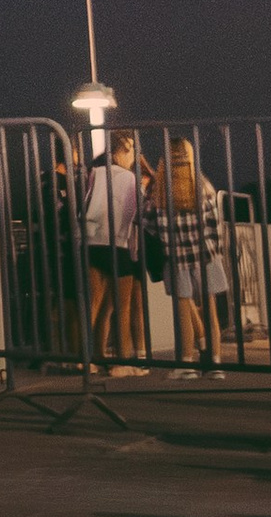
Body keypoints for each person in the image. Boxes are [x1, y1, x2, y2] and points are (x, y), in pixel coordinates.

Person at [153, 137, 231, 372]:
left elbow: (148, 223)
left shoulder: (159, 191)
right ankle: (216, 365)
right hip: (205, 256)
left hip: (176, 259)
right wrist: (216, 251)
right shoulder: (202, 186)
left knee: (183, 312)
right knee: (211, 311)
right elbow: (215, 225)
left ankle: (186, 364)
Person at [83, 127, 148, 374]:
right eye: (131, 150)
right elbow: (137, 214)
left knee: (94, 304)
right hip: (118, 244)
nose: (133, 155)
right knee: (122, 306)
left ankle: (90, 357)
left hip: (91, 241)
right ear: (122, 151)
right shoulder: (130, 178)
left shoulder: (95, 172)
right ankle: (122, 362)